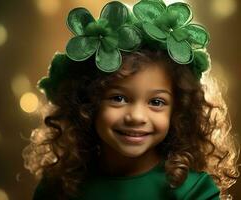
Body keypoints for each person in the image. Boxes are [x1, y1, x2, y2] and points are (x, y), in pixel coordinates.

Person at [22, 0, 240, 199]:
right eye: (118, 98)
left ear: (178, 112)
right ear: (87, 104)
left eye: (156, 102)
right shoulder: (59, 188)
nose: (136, 117)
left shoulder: (193, 191)